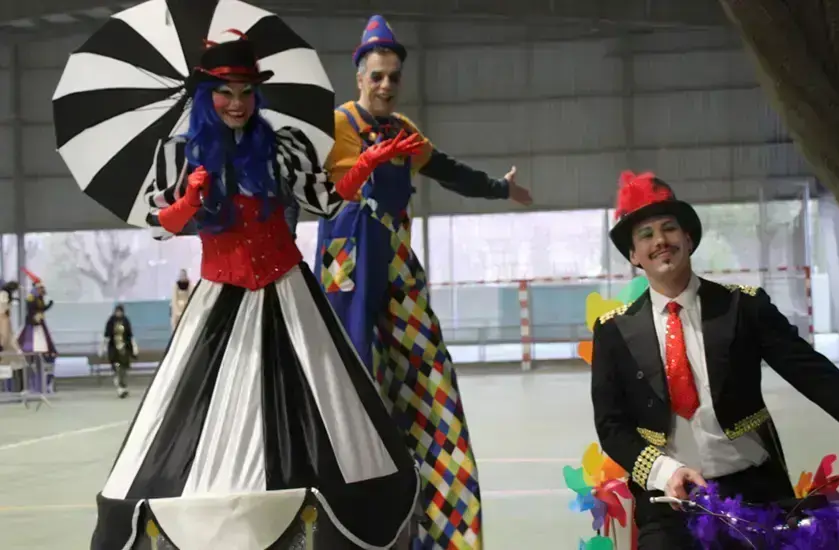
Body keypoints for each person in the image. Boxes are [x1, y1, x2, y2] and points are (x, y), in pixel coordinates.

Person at [89, 34, 424, 550]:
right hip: (219, 300)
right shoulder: (179, 152)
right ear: (205, 94)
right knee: (205, 424)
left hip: (289, 295)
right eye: (226, 92)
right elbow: (159, 222)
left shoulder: (282, 144)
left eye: (246, 91)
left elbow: (325, 200)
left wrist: (366, 164)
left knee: (327, 417)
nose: (238, 103)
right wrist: (189, 202)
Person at [590, 171, 839, 549]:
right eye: (646, 235)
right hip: (670, 497)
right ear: (634, 256)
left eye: (669, 228)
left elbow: (813, 373)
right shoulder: (613, 331)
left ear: (688, 238)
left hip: (756, 488)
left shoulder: (744, 306)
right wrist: (664, 471)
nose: (660, 241)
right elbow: (612, 426)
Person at [315, 15, 533, 548]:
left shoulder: (405, 132)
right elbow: (306, 183)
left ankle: (443, 527)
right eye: (376, 76)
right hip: (348, 270)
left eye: (393, 76)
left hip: (397, 269)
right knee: (353, 387)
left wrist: (500, 191)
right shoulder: (335, 125)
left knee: (429, 382)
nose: (385, 85)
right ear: (358, 77)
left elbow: (450, 171)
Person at [17, 268, 56, 393]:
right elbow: (32, 311)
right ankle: (30, 385)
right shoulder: (31, 298)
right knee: (30, 353)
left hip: (40, 326)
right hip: (32, 326)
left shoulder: (38, 298)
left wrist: (48, 306)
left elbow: (41, 309)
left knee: (44, 353)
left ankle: (43, 384)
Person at [100, 304, 137, 398]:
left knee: (123, 369)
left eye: (120, 311)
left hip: (124, 349)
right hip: (114, 348)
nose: (118, 313)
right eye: (117, 311)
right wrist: (102, 348)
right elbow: (106, 336)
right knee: (117, 367)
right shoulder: (111, 321)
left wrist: (135, 347)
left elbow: (130, 335)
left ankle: (123, 386)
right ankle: (120, 387)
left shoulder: (126, 320)